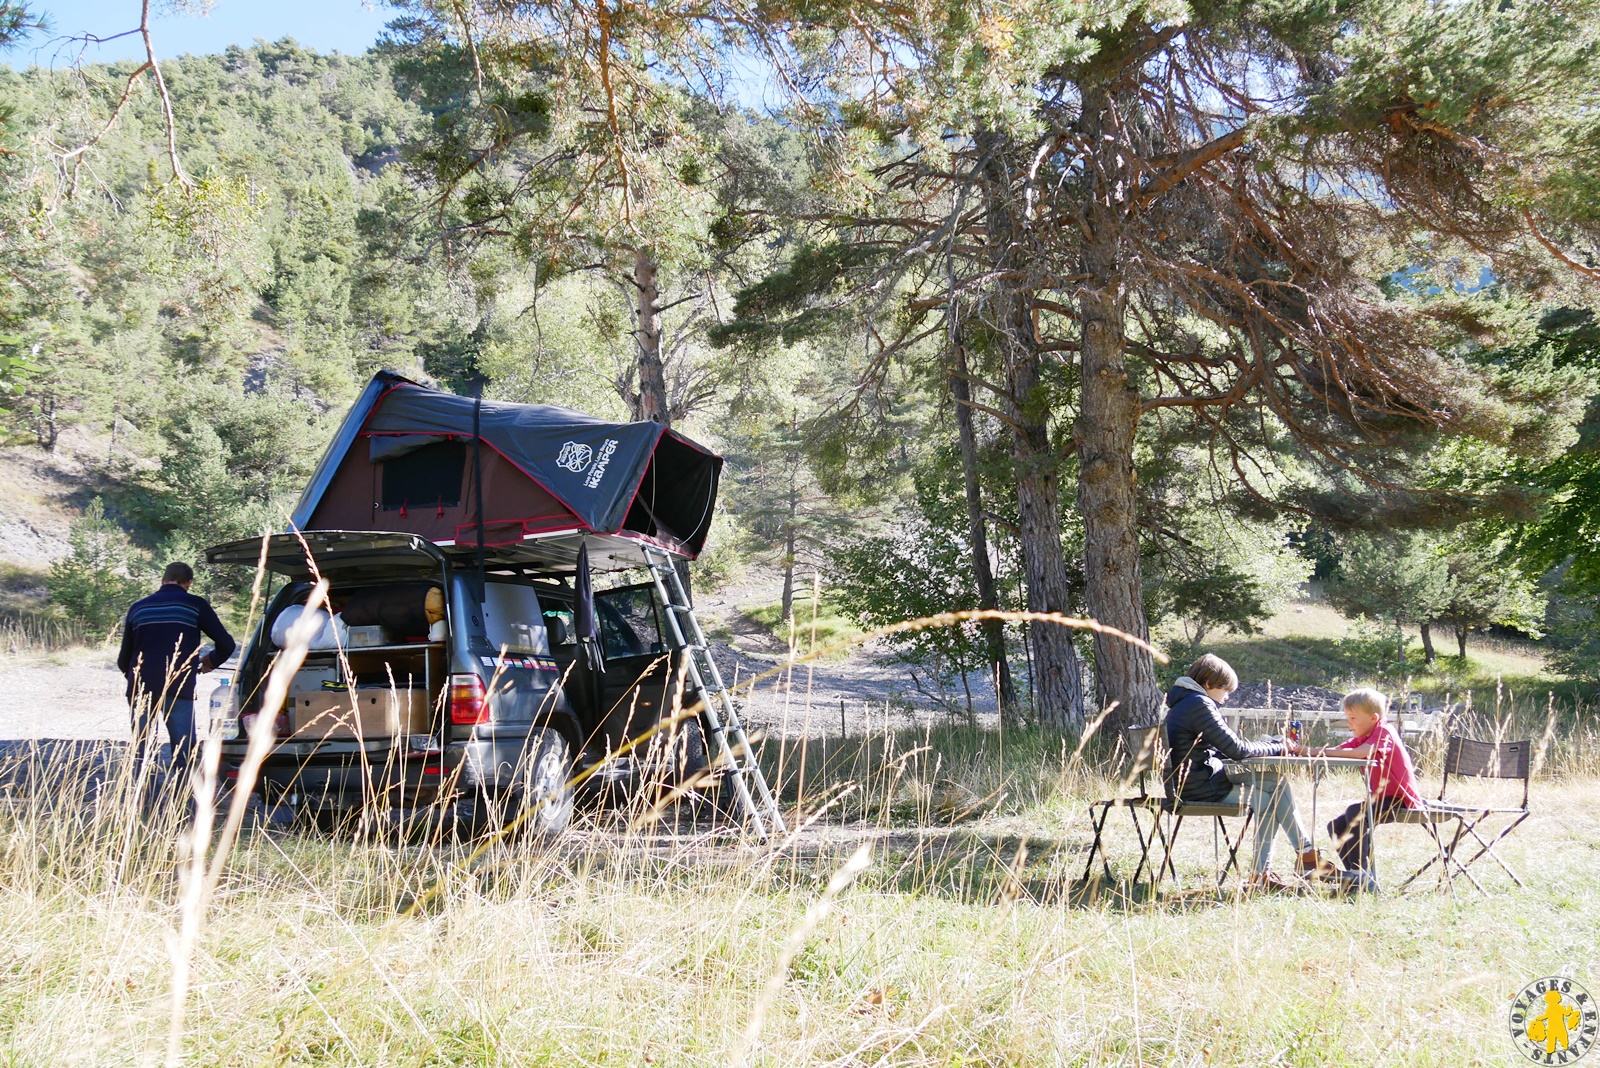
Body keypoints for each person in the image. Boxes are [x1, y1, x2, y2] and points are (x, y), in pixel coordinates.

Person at [1163, 653, 1332, 890]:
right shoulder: (1198, 704)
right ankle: (1277, 868)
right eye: (1225, 690)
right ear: (1209, 684)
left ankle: (1298, 859)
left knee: (1274, 780)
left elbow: (1222, 749)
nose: (1227, 696)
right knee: (1271, 800)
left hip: (1195, 779)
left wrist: (1267, 746)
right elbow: (1237, 750)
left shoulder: (1186, 702)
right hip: (1197, 787)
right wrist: (1277, 746)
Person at [116, 561, 236, 802]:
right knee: (183, 751)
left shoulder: (138, 607)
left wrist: (139, 677)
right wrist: (209, 661)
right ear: (189, 583)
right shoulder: (195, 605)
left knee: (142, 750)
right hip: (178, 688)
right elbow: (227, 644)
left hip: (140, 688)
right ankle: (181, 808)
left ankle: (142, 806)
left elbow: (123, 660)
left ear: (162, 580)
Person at [1304, 688, 1424, 893]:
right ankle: (1358, 876)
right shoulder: (1367, 734)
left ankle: (1360, 875)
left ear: (1373, 717)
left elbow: (1359, 753)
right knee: (1336, 826)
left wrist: (1314, 752)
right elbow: (1341, 751)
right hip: (1384, 799)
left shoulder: (1385, 731)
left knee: (1355, 812)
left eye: (1352, 718)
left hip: (1400, 799)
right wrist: (1304, 751)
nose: (1349, 723)